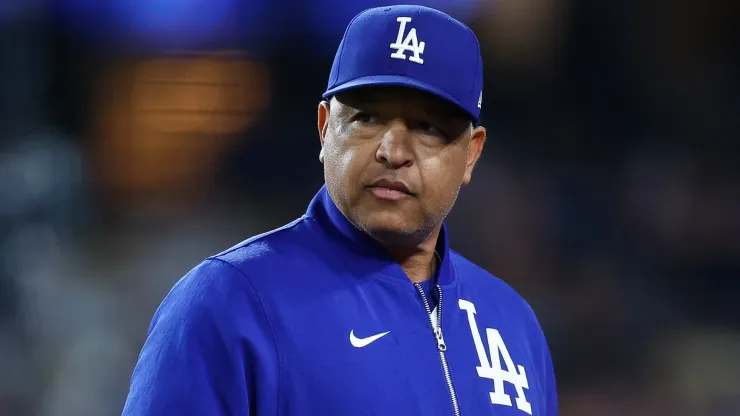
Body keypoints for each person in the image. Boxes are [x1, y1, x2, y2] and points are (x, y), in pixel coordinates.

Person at [122, 5, 557, 416]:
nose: (393, 151)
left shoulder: (512, 323)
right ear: (325, 128)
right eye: (367, 118)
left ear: (471, 155)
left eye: (427, 127)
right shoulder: (232, 301)